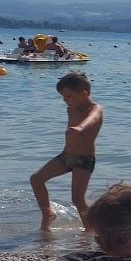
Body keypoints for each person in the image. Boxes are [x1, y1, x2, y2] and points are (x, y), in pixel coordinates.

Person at [31, 70, 103, 228]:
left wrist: (80, 128)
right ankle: (48, 214)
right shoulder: (71, 108)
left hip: (84, 160)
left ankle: (91, 230)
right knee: (36, 179)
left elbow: (93, 119)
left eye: (68, 96)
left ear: (83, 94)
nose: (64, 100)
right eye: (63, 96)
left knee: (77, 198)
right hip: (66, 156)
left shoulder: (95, 108)